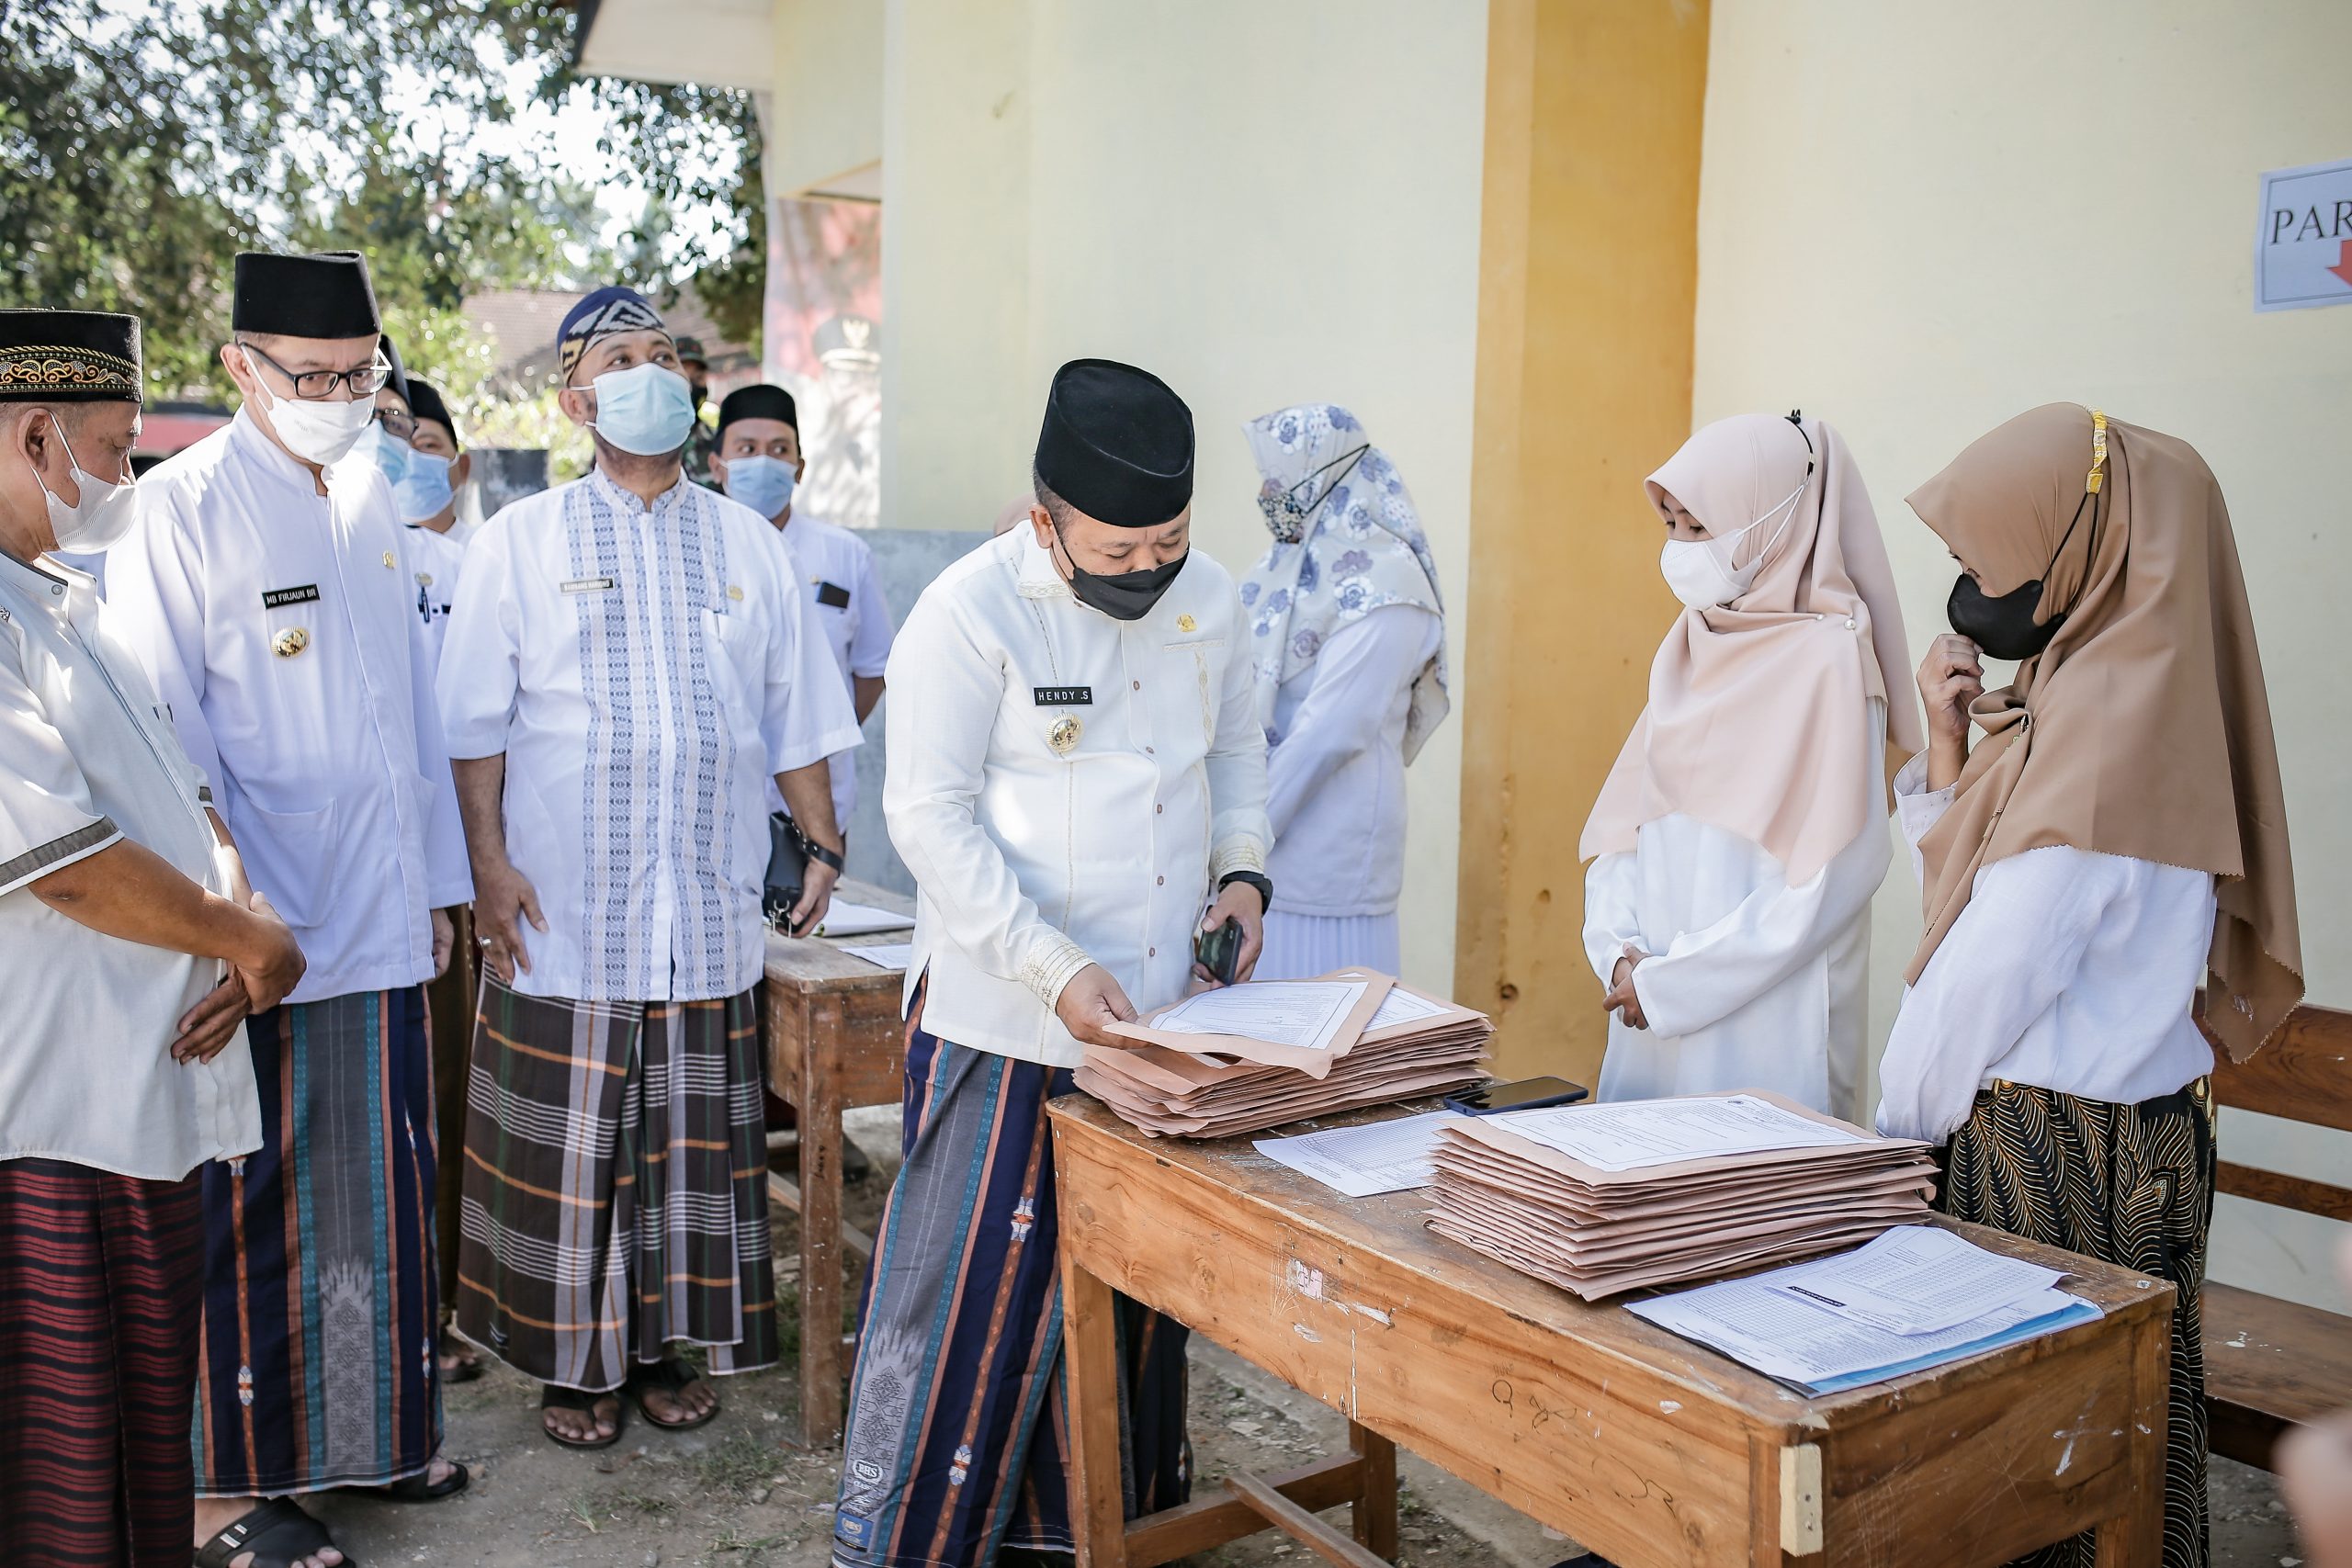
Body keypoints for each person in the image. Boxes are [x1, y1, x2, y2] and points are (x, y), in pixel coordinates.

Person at [834, 358, 1272, 1568]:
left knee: (1127, 1301)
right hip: (1005, 1022)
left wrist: (1243, 874)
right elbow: (927, 816)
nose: (1147, 570)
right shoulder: (972, 611)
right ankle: (914, 1541)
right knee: (970, 1295)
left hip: (1155, 1030)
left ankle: (1094, 1535)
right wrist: (1051, 963)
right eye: (1119, 550)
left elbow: (1239, 755)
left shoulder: (1214, 602)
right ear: (1046, 520)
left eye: (1170, 543)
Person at [1878, 404, 2301, 1568]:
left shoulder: (2104, 729)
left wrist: (1894, 1137)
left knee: (2036, 1472)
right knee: (2114, 1452)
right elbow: (1976, 897)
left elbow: (1986, 970)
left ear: (2081, 545)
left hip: (2054, 1155)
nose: (1968, 583)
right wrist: (1947, 737)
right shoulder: (2103, 687)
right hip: (2127, 1140)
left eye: (1984, 556)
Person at [437, 286, 861, 1449]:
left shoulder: (742, 542)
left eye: (666, 355)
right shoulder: (517, 540)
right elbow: (472, 727)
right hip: (562, 906)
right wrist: (487, 867)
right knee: (570, 1148)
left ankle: (665, 1348)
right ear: (576, 397)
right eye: (622, 358)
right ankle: (574, 1369)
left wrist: (820, 841)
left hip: (701, 908)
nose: (652, 373)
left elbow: (798, 713)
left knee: (685, 1152)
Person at [106, 251, 474, 1567]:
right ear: (240, 370)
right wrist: (224, 907)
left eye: (358, 373)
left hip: (380, 914)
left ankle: (370, 1431)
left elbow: (415, 718)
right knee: (251, 1199)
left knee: (380, 1186)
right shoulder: (184, 509)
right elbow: (161, 728)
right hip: (258, 923)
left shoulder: (372, 491)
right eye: (311, 376)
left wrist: (439, 888)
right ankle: (219, 1489)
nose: (337, 395)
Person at [0, 309, 303, 1567]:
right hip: (50, 1122)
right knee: (54, 1476)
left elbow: (176, 807)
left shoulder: (62, 602)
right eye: (119, 451)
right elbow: (55, 859)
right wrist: (249, 940)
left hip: (136, 1095)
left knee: (131, 1462)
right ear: (35, 434)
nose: (128, 482)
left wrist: (234, 930)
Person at [1578, 413, 1918, 1121]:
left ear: (1772, 522)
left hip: (1770, 1025)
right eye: (1670, 523)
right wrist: (1617, 950)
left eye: (1699, 528)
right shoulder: (1690, 644)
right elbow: (1625, 831)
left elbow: (1836, 874)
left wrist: (1675, 984)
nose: (1677, 549)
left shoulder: (1830, 662)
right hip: (1649, 1003)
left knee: (1752, 1209)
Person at [1239, 402, 1446, 977]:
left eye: (1276, 478)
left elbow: (1330, 734)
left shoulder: (1387, 589)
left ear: (1319, 474)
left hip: (1328, 866)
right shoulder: (1282, 569)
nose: (1264, 492)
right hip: (1254, 856)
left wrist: (1239, 841)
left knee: (1329, 1040)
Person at [390, 373, 480, 1385]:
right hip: (344, 877)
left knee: (451, 1091)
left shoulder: (474, 563)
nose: (403, 452)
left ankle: (449, 1301)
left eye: (417, 435)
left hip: (456, 871)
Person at [710, 382, 894, 835]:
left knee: (820, 903)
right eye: (747, 448)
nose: (764, 461)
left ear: (799, 467)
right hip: (717, 801)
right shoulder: (696, 551)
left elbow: (874, 667)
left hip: (818, 808)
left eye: (779, 449)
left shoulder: (845, 555)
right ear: (719, 466)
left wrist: (821, 735)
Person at [674, 333, 716, 483]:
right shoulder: (636, 444)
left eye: (698, 378)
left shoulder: (719, 440)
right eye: (682, 378)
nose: (691, 388)